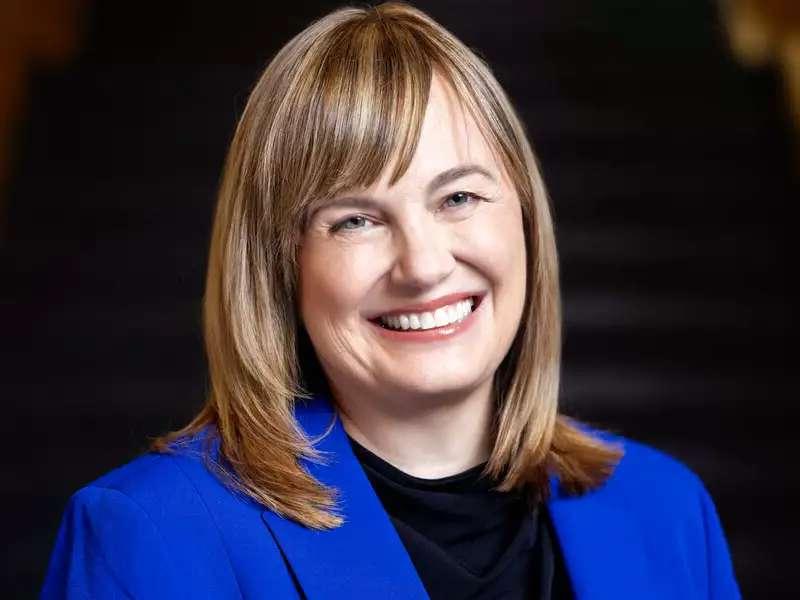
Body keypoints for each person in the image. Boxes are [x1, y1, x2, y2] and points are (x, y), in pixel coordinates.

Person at [40, 2, 741, 598]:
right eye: (355, 220)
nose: (424, 265)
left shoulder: (666, 511)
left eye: (459, 197)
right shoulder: (150, 536)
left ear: (525, 218)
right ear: (281, 264)